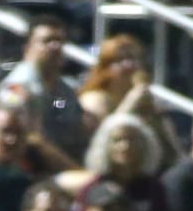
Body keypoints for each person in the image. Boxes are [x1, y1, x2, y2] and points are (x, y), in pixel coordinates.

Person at [0, 14, 91, 167]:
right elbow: (32, 139)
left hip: (65, 165)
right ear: (27, 48)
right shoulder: (17, 87)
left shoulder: (65, 91)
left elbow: (79, 131)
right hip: (29, 170)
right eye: (47, 41)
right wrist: (74, 170)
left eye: (59, 41)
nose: (55, 46)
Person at [77, 35, 182, 168]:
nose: (129, 65)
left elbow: (170, 149)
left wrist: (156, 118)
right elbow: (104, 139)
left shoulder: (143, 99)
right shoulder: (95, 99)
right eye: (119, 60)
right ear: (105, 67)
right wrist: (132, 101)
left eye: (133, 59)